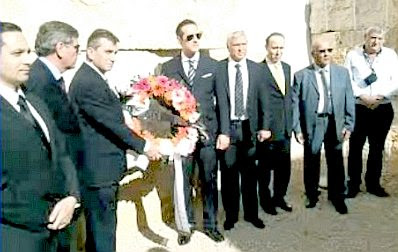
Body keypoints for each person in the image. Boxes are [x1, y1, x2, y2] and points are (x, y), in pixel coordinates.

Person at [68, 29, 160, 252]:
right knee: (103, 233)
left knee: (98, 231)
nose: (113, 57)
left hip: (100, 168)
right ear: (90, 52)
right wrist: (146, 146)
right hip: (98, 171)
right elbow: (112, 124)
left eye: (115, 52)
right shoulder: (88, 82)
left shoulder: (93, 77)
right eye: (108, 51)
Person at [1, 21, 79, 252]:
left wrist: (71, 197)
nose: (29, 60)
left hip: (57, 234)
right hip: (15, 237)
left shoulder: (35, 102)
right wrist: (44, 214)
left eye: (28, 52)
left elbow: (62, 153)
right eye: (17, 53)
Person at [161, 19, 225, 244]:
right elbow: (162, 105)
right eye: (190, 37)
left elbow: (222, 102)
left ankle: (210, 224)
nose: (196, 40)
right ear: (179, 39)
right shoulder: (168, 68)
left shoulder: (213, 66)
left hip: (208, 132)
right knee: (184, 181)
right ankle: (186, 226)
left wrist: (222, 132)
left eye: (198, 35)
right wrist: (177, 122)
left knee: (208, 179)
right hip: (181, 135)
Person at [24, 21, 82, 251]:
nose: (78, 52)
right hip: (54, 187)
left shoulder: (50, 78)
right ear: (60, 48)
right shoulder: (38, 81)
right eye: (76, 47)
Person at [292, 36, 355, 214]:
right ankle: (312, 195)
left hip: (335, 122)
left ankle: (338, 197)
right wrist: (297, 129)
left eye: (329, 51)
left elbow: (349, 99)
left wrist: (349, 124)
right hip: (313, 123)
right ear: (313, 54)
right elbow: (294, 104)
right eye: (322, 51)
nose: (326, 54)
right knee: (311, 160)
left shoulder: (342, 73)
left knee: (336, 160)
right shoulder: (302, 75)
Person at [217, 31, 268, 230]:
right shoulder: (219, 69)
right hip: (228, 128)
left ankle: (252, 214)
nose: (241, 48)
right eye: (236, 45)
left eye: (244, 44)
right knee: (229, 174)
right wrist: (221, 131)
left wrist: (264, 127)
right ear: (228, 47)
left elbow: (264, 101)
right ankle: (231, 216)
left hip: (250, 128)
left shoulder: (257, 69)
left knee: (250, 174)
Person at [344, 26, 398, 198]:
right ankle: (353, 184)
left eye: (380, 38)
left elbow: (395, 80)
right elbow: (347, 79)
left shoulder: (390, 55)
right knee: (355, 147)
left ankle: (373, 184)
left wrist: (380, 96)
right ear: (365, 38)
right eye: (373, 38)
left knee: (377, 147)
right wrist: (362, 96)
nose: (376, 42)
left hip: (382, 107)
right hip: (360, 107)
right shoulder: (353, 55)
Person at [257, 32, 293, 215]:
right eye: (274, 47)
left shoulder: (287, 68)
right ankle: (265, 200)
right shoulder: (258, 70)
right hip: (268, 129)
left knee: (284, 167)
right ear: (266, 47)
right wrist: (262, 128)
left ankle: (280, 197)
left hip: (285, 127)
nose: (277, 52)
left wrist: (292, 125)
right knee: (265, 169)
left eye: (280, 48)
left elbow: (287, 98)